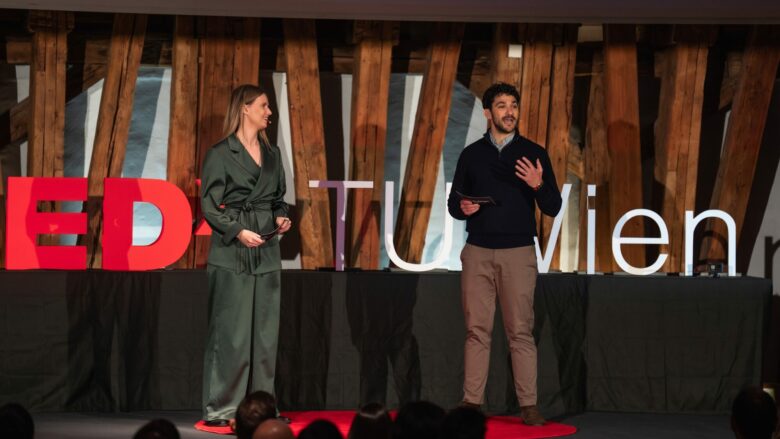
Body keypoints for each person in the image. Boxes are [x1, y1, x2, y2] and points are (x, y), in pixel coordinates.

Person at [447, 82, 562, 426]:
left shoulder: (533, 152)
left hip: (518, 252)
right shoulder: (471, 154)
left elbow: (553, 206)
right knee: (476, 330)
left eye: (513, 105)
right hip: (478, 251)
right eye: (501, 105)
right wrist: (463, 208)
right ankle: (471, 402)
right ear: (487, 113)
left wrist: (538, 185)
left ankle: (529, 405)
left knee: (520, 332)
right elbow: (454, 203)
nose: (509, 111)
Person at [200, 84, 292, 426]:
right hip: (233, 251)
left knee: (265, 337)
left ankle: (261, 410)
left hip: (266, 250)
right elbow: (209, 205)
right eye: (264, 105)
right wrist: (238, 230)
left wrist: (282, 217)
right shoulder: (221, 153)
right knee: (231, 334)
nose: (269, 112)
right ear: (245, 109)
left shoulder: (273, 154)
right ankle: (223, 408)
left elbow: (278, 198)